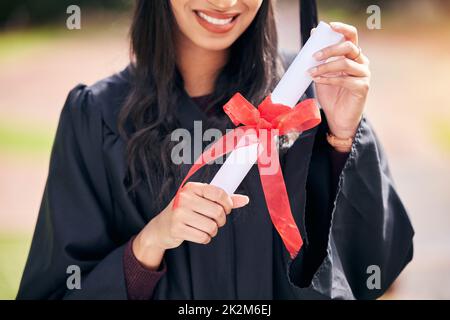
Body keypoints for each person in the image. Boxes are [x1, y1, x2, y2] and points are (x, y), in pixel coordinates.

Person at [17, 0, 414, 300]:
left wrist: (342, 139)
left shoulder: (309, 97)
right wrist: (148, 245)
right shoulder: (96, 117)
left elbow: (374, 272)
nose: (225, 2)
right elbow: (59, 290)